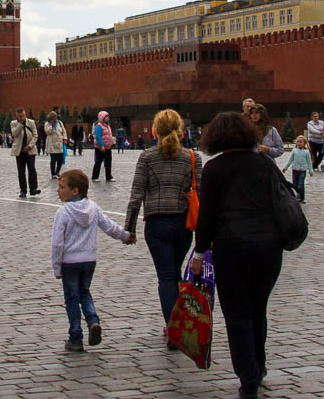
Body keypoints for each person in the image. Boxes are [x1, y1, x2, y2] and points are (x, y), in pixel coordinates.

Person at [190, 112, 283, 399]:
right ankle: (259, 365)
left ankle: (248, 377)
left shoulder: (215, 169)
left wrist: (199, 251)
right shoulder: (264, 164)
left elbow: (207, 216)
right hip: (269, 247)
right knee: (258, 309)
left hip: (232, 248)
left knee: (237, 314)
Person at [124, 109, 195, 336]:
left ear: (155, 131)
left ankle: (172, 328)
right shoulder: (192, 157)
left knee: (165, 276)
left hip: (157, 225)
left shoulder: (147, 157)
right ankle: (178, 325)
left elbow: (136, 195)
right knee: (175, 273)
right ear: (180, 130)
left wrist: (129, 229)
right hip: (184, 225)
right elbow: (201, 196)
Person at [51, 169, 135, 352]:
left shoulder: (63, 213)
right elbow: (109, 226)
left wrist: (57, 267)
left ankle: (75, 337)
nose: (58, 190)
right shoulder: (93, 208)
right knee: (85, 292)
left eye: (62, 187)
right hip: (89, 260)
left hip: (70, 262)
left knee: (72, 299)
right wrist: (125, 236)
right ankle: (93, 321)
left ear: (75, 191)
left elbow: (57, 243)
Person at [11, 108, 40, 197]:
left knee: (31, 169)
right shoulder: (14, 123)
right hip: (19, 150)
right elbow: (14, 134)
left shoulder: (31, 122)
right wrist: (20, 124)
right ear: (17, 116)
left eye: (23, 115)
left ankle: (33, 189)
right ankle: (23, 190)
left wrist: (29, 146)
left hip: (30, 149)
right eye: (20, 116)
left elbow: (35, 135)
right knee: (21, 171)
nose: (22, 117)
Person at [282, 135, 313, 203]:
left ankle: (302, 197)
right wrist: (285, 168)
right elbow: (290, 160)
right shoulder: (294, 150)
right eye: (297, 142)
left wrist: (311, 171)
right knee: (295, 184)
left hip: (302, 170)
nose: (299, 143)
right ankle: (297, 195)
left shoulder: (306, 152)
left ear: (304, 143)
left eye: (300, 142)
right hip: (295, 170)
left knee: (301, 183)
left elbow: (309, 162)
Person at [91, 111, 115, 182]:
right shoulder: (99, 126)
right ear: (102, 117)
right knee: (98, 162)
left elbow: (109, 135)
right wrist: (101, 145)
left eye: (108, 116)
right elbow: (98, 137)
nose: (108, 118)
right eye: (106, 116)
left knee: (108, 162)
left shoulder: (107, 125)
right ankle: (95, 177)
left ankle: (109, 177)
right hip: (100, 148)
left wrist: (111, 142)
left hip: (108, 147)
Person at [46, 111, 67, 179]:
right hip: (52, 144)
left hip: (59, 143)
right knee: (53, 159)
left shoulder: (60, 123)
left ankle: (57, 171)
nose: (56, 119)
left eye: (56, 117)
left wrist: (65, 139)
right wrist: (52, 125)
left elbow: (64, 131)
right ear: (51, 118)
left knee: (60, 159)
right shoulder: (47, 123)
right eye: (54, 117)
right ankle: (53, 173)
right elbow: (47, 132)